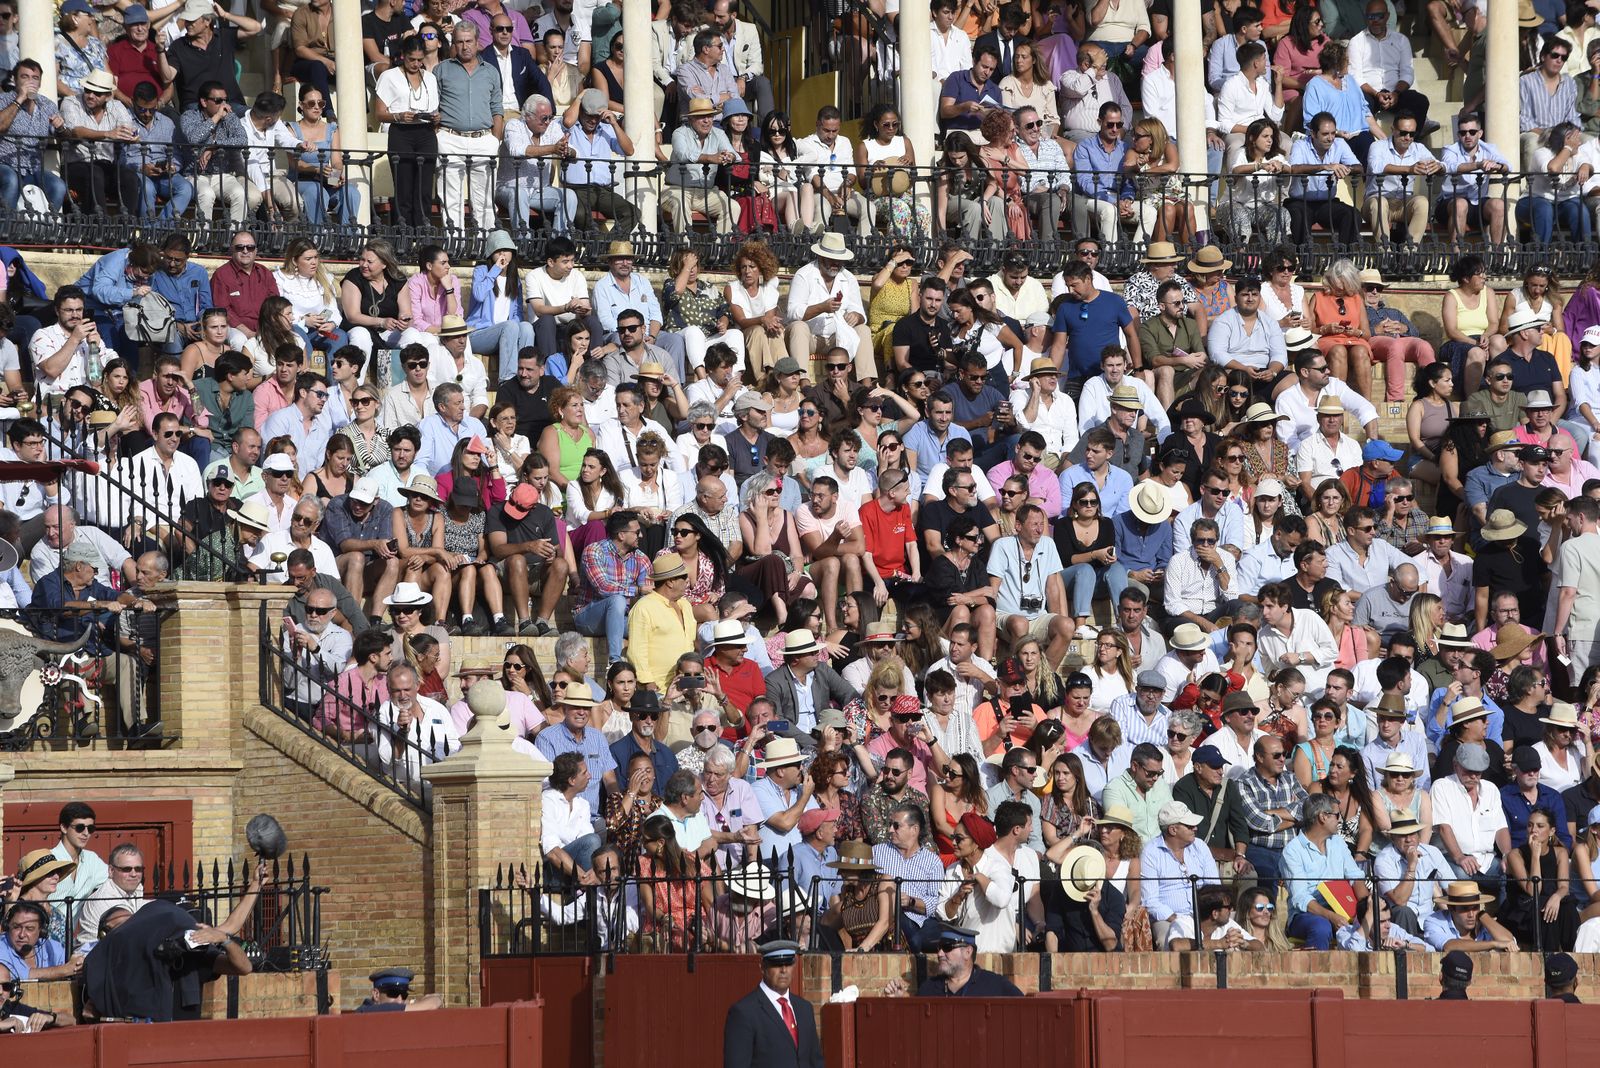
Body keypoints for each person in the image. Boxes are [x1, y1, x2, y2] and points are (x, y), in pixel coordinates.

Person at [433, 21, 504, 233]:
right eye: (460, 42)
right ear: (453, 43)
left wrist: (495, 140)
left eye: (469, 41)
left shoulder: (491, 71)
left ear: (477, 42)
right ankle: (455, 245)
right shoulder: (441, 70)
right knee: (450, 197)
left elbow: (497, 108)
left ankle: (486, 246)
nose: (465, 46)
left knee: (485, 199)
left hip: (484, 139)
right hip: (450, 137)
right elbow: (432, 106)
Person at [722, 940, 824, 1068]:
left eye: (788, 963)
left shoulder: (804, 1008)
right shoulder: (744, 1012)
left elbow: (815, 1060)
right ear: (763, 967)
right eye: (776, 964)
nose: (783, 970)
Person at [352, 968, 444, 1013]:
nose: (399, 1001)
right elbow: (434, 1003)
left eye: (404, 994)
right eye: (393, 993)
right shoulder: (371, 1010)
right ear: (376, 994)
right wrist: (419, 1001)